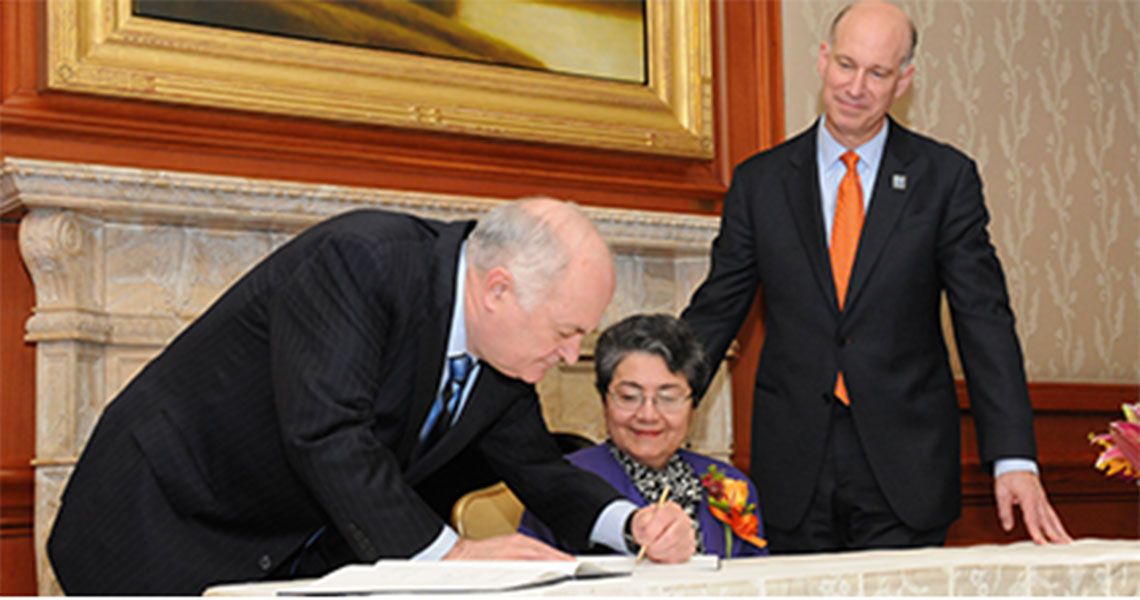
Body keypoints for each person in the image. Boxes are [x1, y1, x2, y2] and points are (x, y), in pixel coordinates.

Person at [47, 199, 695, 594]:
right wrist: (454, 556)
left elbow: (540, 472)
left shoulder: (502, 356)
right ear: (498, 290)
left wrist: (630, 522)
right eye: (566, 331)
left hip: (279, 546)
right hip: (158, 517)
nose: (569, 356)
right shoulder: (361, 262)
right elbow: (327, 433)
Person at [681, 1, 1071, 553]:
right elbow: (716, 310)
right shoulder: (760, 182)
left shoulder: (945, 179)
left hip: (905, 467)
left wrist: (1013, 457)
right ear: (823, 60)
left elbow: (983, 317)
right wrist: (655, 397)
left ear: (904, 81)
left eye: (878, 73)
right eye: (846, 64)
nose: (856, 86)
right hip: (794, 465)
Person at [519, 314, 768, 558]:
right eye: (629, 397)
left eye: (668, 398)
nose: (648, 415)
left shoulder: (731, 484)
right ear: (604, 400)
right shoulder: (560, 483)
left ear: (693, 406)